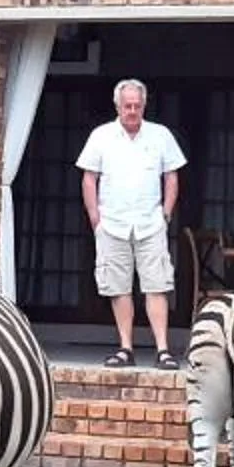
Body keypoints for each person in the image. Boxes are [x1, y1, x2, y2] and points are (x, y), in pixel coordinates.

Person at [76, 78, 186, 370]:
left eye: (137, 105)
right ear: (117, 105)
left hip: (151, 222)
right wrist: (94, 217)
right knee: (118, 287)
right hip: (111, 222)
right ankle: (126, 348)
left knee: (157, 284)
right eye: (127, 106)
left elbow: (172, 176)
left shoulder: (160, 135)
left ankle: (163, 349)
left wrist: (166, 214)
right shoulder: (101, 136)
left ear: (144, 105)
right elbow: (89, 177)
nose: (133, 111)